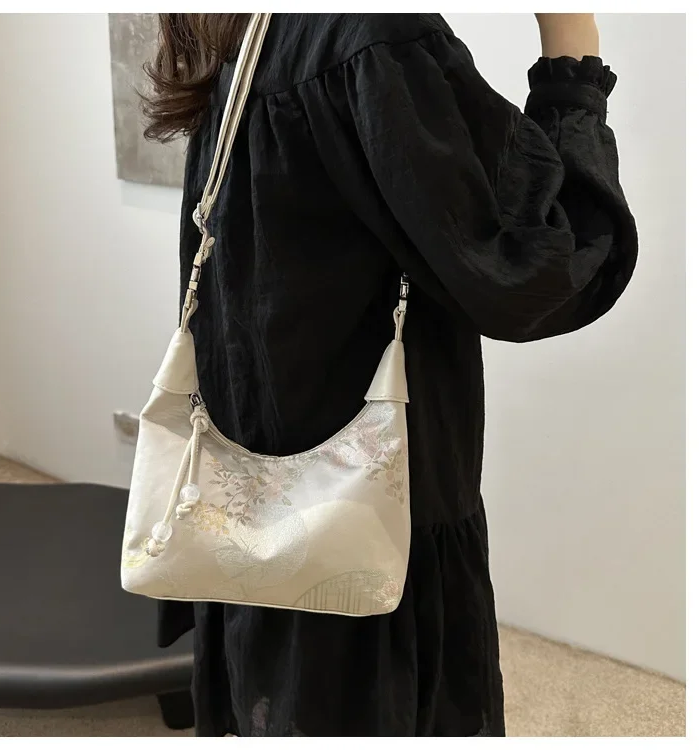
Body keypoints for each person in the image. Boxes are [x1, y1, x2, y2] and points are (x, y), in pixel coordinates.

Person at [141, 13, 637, 737]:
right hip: (377, 496)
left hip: (256, 463)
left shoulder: (249, 26)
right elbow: (536, 270)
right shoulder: (378, 35)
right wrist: (572, 44)